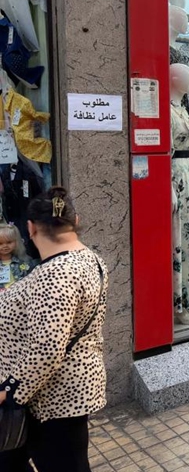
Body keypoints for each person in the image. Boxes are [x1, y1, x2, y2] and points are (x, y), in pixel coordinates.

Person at [0, 187, 109, 472]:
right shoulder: (90, 259)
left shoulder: (56, 274)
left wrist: (9, 392)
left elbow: (47, 348)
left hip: (50, 400)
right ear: (76, 220)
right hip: (69, 388)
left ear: (30, 227)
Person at [0, 223, 35, 290]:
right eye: (0, 243)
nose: (5, 246)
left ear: (16, 242)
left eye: (9, 242)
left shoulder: (24, 261)